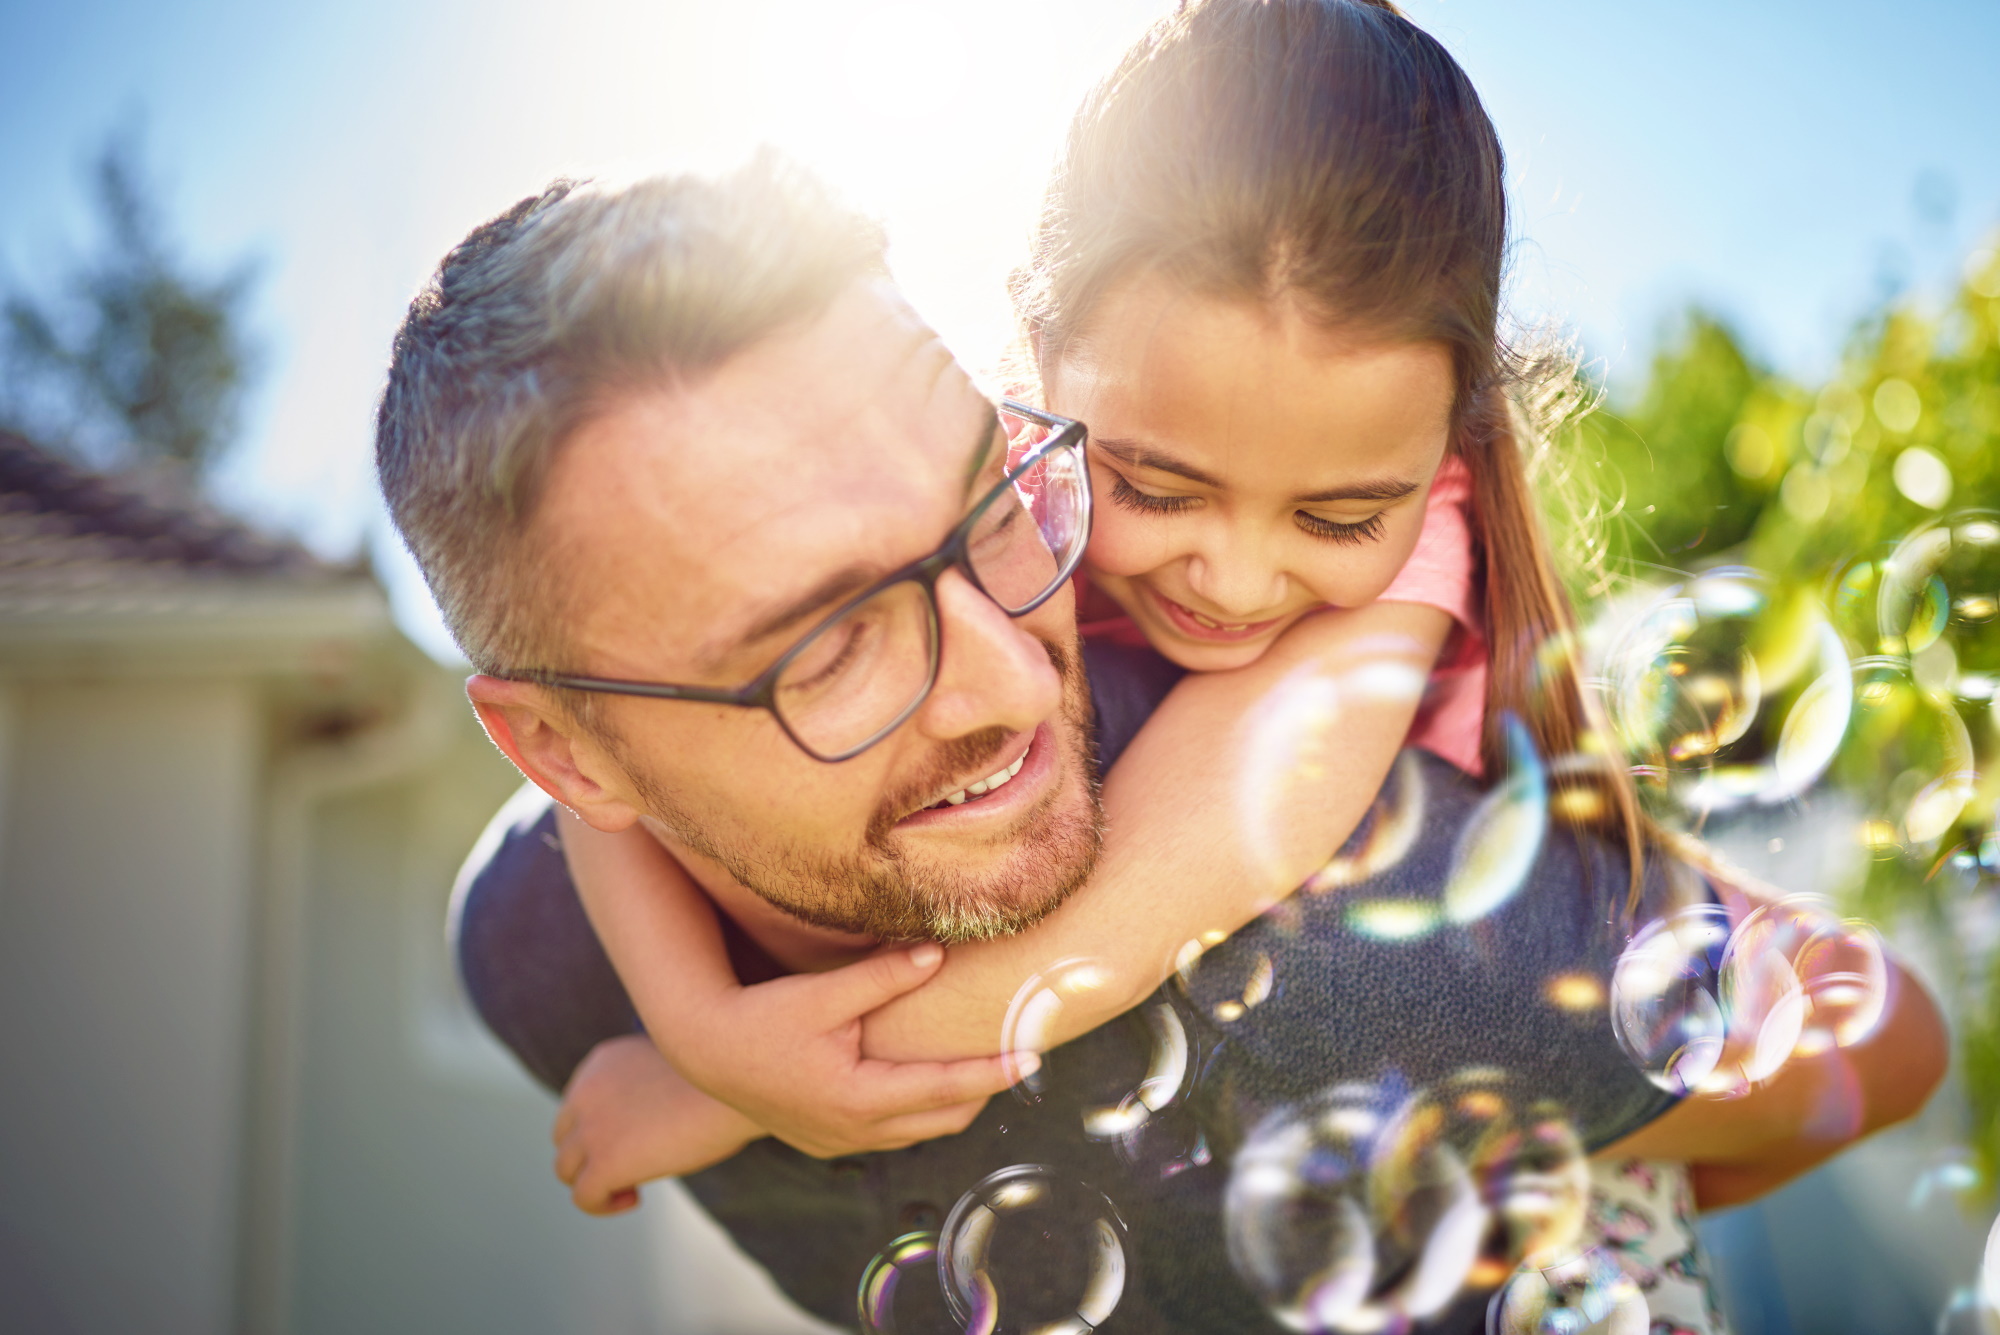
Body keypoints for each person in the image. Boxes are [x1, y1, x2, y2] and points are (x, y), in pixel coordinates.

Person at [378, 38, 1944, 1335]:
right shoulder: (533, 939)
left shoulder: (1343, 870)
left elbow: (1190, 884)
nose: (1236, 582)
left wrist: (742, 1084)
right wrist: (705, 1027)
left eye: (992, 511)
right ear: (1040, 361)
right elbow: (590, 791)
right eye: (828, 640)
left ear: (1438, 467)